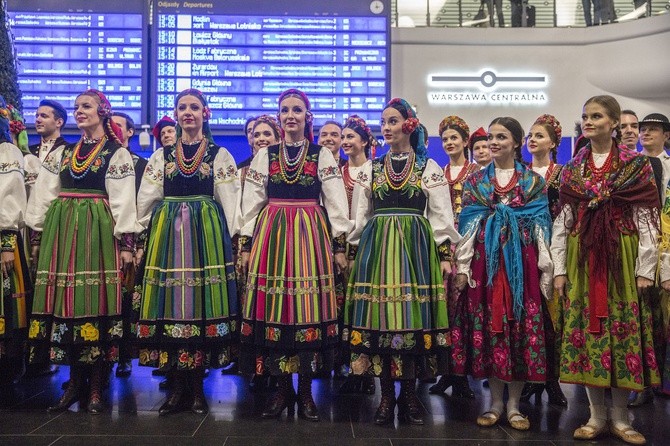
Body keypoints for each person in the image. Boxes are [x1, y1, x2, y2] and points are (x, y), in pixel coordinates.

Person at [344, 98, 460, 425]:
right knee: (382, 320)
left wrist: (444, 254)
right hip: (377, 249)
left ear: (409, 125)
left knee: (409, 320)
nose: (386, 127)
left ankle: (409, 397)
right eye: (383, 122)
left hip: (414, 250)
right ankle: (386, 399)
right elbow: (360, 215)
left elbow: (440, 214)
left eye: (393, 121)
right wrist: (354, 253)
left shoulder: (428, 167)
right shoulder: (372, 168)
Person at [552, 95, 660, 444]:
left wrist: (646, 269)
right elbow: (563, 221)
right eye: (585, 116)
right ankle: (596, 416)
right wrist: (558, 268)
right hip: (583, 257)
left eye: (597, 116)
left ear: (614, 122)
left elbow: (646, 220)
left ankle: (621, 417)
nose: (589, 121)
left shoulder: (635, 165)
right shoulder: (572, 169)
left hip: (621, 257)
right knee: (589, 334)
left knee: (622, 332)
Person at [239, 89, 350, 422]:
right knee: (278, 312)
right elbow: (252, 202)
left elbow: (335, 201)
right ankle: (282, 390)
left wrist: (340, 244)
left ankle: (305, 392)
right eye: (285, 110)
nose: (290, 115)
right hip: (272, 233)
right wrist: (246, 244)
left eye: (297, 110)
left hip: (309, 233)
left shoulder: (322, 155)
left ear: (307, 116)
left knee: (305, 312)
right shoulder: (265, 156)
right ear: (278, 116)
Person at [25, 89, 137, 414]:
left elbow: (123, 200)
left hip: (97, 232)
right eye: (76, 107)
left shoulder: (116, 153)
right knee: (68, 305)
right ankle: (74, 384)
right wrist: (37, 235)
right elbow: (45, 193)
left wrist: (126, 244)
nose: (79, 111)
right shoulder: (64, 152)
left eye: (85, 106)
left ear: (103, 110)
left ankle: (96, 387)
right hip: (63, 233)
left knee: (95, 303)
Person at [134, 89, 240, 416]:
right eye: (182, 107)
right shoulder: (162, 156)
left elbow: (230, 200)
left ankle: (196, 388)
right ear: (176, 113)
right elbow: (147, 198)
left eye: (194, 107)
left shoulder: (219, 155)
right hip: (167, 235)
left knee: (199, 308)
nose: (188, 113)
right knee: (171, 308)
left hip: (204, 237)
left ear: (205, 113)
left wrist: (235, 240)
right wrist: (140, 238)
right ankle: (176, 388)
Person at [452, 117, 552, 431]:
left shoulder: (533, 182)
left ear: (517, 142)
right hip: (485, 265)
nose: (494, 142)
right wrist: (463, 268)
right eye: (492, 137)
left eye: (502, 137)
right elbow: (467, 226)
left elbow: (541, 227)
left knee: (518, 329)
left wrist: (546, 271)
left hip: (521, 267)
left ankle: (514, 406)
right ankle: (495, 403)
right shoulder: (476, 181)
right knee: (493, 329)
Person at [518, 114, 568, 407]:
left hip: (554, 246)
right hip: (525, 247)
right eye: (530, 136)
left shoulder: (563, 173)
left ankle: (552, 379)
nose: (532, 140)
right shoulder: (520, 173)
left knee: (553, 315)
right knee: (529, 313)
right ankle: (530, 378)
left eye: (539, 135)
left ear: (553, 142)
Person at [429, 115, 478, 399]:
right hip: (443, 248)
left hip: (469, 246)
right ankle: (445, 371)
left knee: (464, 312)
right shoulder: (438, 173)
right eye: (445, 139)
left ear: (465, 141)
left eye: (454, 138)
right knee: (444, 310)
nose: (449, 143)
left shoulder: (477, 172)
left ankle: (462, 374)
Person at [629, 113, 670, 407]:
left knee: (665, 320)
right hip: (637, 246)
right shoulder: (630, 165)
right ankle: (641, 383)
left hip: (667, 244)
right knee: (641, 317)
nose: (646, 134)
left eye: (653, 130)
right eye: (643, 129)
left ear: (666, 135)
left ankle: (664, 382)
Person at [240, 114, 281, 391]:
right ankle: (258, 367)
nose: (261, 138)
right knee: (255, 306)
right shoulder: (242, 169)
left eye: (267, 133)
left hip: (280, 237)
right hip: (253, 241)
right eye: (256, 134)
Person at [336, 115, 376, 395]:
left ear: (365, 141)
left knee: (366, 308)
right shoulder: (336, 173)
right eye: (344, 137)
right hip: (338, 249)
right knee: (341, 308)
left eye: (352, 137)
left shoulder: (375, 171)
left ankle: (367, 371)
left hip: (368, 247)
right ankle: (346, 365)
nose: (346, 142)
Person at [110, 111, 148, 379]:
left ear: (130, 132)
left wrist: (135, 243)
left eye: (118, 125)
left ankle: (124, 356)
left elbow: (141, 205)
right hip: (103, 232)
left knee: (126, 299)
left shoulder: (141, 164)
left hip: (129, 237)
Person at [0, 97, 30, 387]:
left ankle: (7, 371)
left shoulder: (7, 151)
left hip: (1, 239)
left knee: (5, 307)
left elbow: (10, 197)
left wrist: (7, 242)